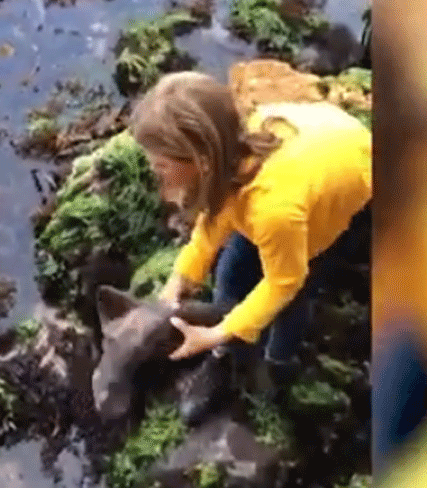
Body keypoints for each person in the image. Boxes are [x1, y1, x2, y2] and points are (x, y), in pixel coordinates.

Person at [128, 71, 372, 425]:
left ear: (202, 162)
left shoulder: (273, 209)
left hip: (346, 170)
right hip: (312, 144)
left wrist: (211, 333)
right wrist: (178, 281)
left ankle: (279, 363)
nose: (154, 170)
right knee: (229, 271)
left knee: (292, 303)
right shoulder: (230, 161)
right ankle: (228, 354)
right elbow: (213, 222)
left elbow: (284, 281)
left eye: (162, 164)